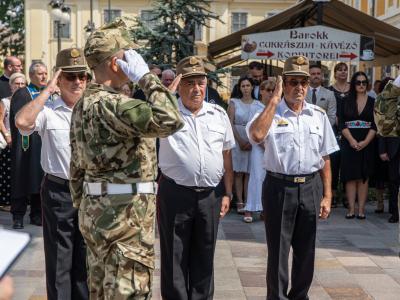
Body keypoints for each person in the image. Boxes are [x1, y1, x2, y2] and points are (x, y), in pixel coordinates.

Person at [70, 18, 183, 299]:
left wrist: (88, 206)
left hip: (96, 212)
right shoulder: (114, 105)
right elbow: (170, 119)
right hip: (125, 219)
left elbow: (76, 166)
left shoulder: (82, 105)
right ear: (114, 64)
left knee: (99, 291)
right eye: (127, 56)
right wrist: (146, 77)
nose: (132, 60)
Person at [248, 56, 338, 300]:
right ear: (283, 84)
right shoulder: (270, 113)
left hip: (310, 186)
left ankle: (300, 296)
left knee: (306, 251)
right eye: (293, 82)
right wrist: (274, 101)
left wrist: (327, 195)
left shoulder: (317, 115)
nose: (299, 87)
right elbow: (256, 135)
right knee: (278, 251)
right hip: (279, 187)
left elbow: (326, 157)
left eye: (303, 82)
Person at [157, 55, 234, 300]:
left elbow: (226, 155)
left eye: (200, 82)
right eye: (189, 83)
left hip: (209, 196)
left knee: (205, 259)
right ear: (179, 85)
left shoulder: (218, 114)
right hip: (175, 195)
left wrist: (227, 192)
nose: (196, 88)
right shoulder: (165, 113)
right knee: (174, 260)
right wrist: (163, 101)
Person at [15, 48, 90, 300]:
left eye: (82, 76)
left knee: (87, 263)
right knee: (59, 262)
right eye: (70, 76)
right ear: (59, 79)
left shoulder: (96, 111)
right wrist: (47, 90)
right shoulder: (48, 110)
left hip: (92, 192)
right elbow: (23, 123)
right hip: (60, 192)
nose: (77, 81)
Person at [9, 61, 49, 229]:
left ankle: (36, 214)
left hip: (43, 143)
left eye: (46, 73)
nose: (44, 76)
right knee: (22, 177)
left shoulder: (50, 94)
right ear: (31, 75)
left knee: (40, 179)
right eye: (40, 74)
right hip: (25, 145)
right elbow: (18, 121)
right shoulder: (23, 93)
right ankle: (18, 215)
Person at [339, 71, 376, 219]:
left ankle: (361, 210)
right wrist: (352, 141)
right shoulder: (345, 101)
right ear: (353, 84)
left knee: (363, 177)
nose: (361, 85)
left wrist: (366, 142)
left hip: (367, 142)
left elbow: (375, 124)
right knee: (350, 176)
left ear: (367, 85)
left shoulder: (373, 102)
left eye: (364, 82)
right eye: (358, 82)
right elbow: (341, 122)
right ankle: (351, 209)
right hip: (349, 142)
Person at [243, 79, 275, 223]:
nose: (270, 93)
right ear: (261, 91)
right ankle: (249, 208)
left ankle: (265, 209)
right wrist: (263, 144)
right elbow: (251, 129)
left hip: (273, 149)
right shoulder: (255, 107)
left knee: (269, 178)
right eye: (268, 90)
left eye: (273, 90)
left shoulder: (277, 107)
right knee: (256, 177)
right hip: (258, 148)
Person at [228, 76, 260, 214]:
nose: (246, 88)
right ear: (239, 88)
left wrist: (252, 141)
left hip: (252, 138)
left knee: (249, 172)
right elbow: (230, 122)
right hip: (237, 137)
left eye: (248, 85)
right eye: (243, 86)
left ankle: (248, 201)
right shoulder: (234, 102)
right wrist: (240, 140)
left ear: (252, 87)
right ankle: (239, 201)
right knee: (239, 172)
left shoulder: (258, 104)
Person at [0, 73, 26, 207]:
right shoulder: (5, 101)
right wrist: (7, 135)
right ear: (11, 86)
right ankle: (6, 202)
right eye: (17, 83)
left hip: (25, 142)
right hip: (9, 141)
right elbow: (0, 120)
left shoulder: (29, 102)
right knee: (8, 172)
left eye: (22, 84)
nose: (20, 86)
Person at [376, 78, 399, 223]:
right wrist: (382, 149)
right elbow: (382, 125)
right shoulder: (385, 100)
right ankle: (394, 212)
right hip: (393, 146)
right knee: (394, 181)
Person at [328, 62, 351, 208]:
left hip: (351, 130)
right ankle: (333, 195)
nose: (343, 72)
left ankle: (347, 195)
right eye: (340, 70)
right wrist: (338, 122)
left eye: (345, 70)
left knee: (348, 163)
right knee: (334, 163)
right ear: (335, 73)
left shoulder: (353, 89)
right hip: (334, 129)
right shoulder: (329, 90)